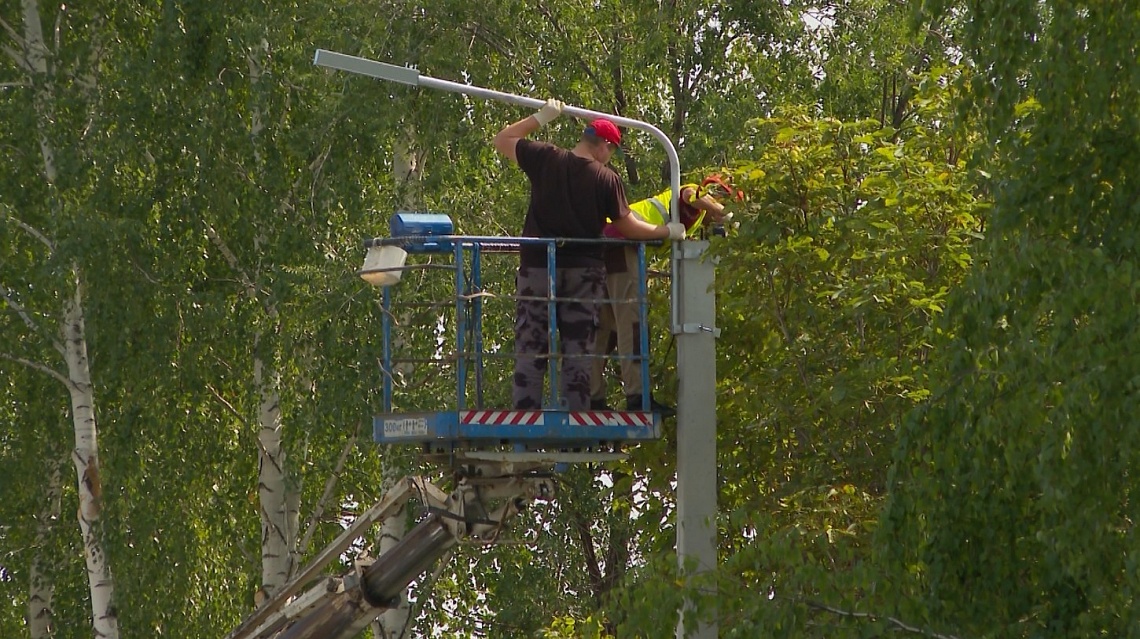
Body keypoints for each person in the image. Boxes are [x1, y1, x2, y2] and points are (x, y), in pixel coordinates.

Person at [492, 100, 686, 410]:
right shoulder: (606, 179)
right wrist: (667, 231)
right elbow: (628, 226)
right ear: (605, 146)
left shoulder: (546, 157)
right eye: (611, 152)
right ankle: (576, 411)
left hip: (538, 268)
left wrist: (541, 117)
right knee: (578, 347)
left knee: (531, 342)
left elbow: (502, 140)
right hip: (583, 272)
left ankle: (525, 410)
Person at [589, 176, 738, 414]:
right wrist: (726, 214)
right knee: (631, 324)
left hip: (605, 244)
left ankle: (590, 396)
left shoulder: (690, 217)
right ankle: (638, 398)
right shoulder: (689, 193)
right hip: (623, 244)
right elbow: (694, 196)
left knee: (606, 326)